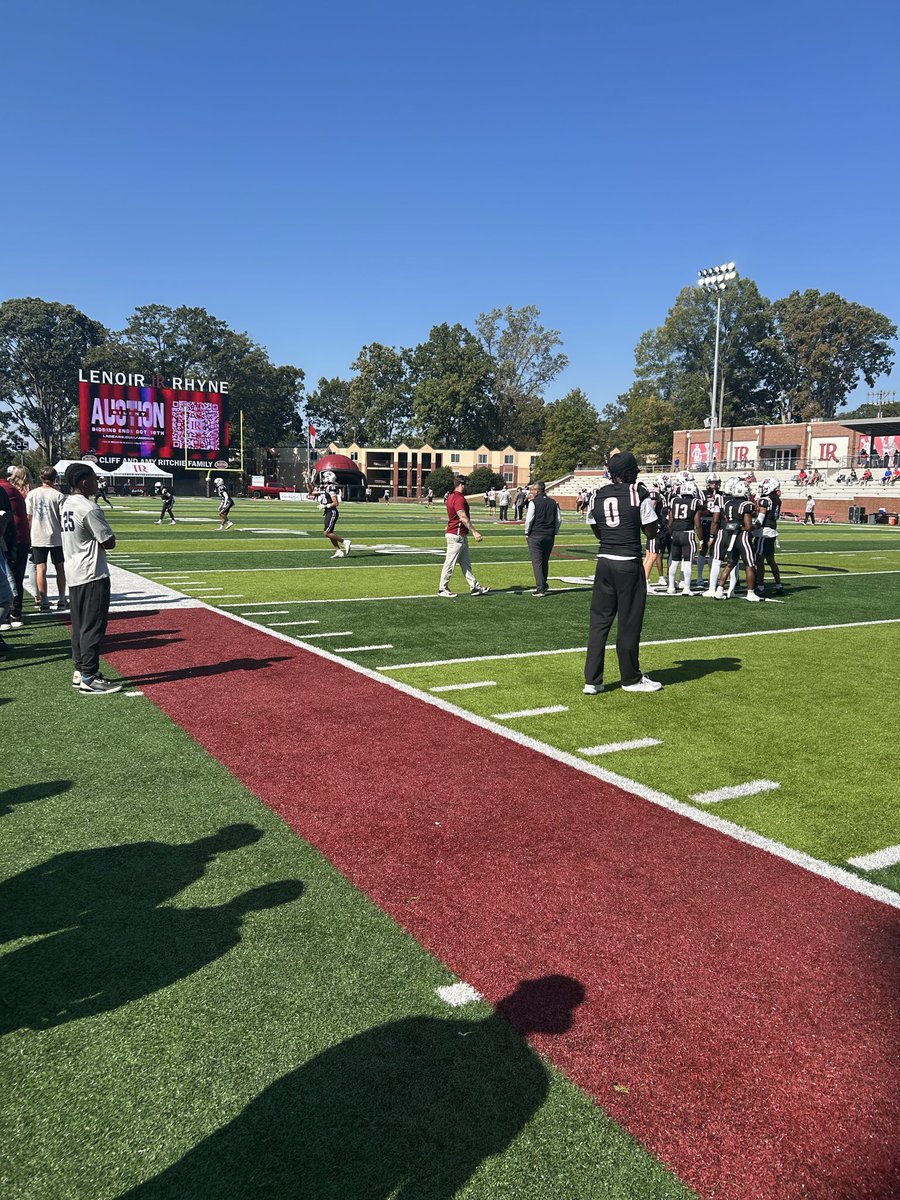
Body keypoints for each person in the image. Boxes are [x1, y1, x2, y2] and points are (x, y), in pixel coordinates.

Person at [583, 451, 662, 695]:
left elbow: (597, 529)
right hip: (628, 562)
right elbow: (651, 532)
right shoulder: (637, 494)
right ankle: (630, 678)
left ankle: (592, 681)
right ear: (628, 474)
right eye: (635, 471)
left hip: (604, 562)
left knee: (599, 622)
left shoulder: (596, 494)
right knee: (629, 622)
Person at [60, 464, 122, 694]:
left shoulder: (66, 503)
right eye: (94, 479)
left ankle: (80, 670)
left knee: (79, 626)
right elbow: (108, 541)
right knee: (93, 626)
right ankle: (89, 675)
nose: (98, 484)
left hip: (74, 570)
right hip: (91, 572)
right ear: (84, 483)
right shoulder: (88, 507)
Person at [438, 476, 490, 598]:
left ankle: (475, 586)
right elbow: (462, 516)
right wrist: (474, 531)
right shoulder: (459, 498)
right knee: (450, 563)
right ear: (462, 485)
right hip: (457, 535)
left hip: (459, 534)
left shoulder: (451, 496)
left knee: (466, 564)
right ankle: (442, 588)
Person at [25, 466, 67, 612]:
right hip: (55, 535)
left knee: (40, 568)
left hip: (37, 534)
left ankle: (44, 600)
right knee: (60, 567)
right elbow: (62, 517)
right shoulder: (58, 495)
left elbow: (28, 517)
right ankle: (62, 598)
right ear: (55, 478)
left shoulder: (32, 494)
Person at [710, 479, 760, 601]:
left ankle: (719, 590)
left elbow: (728, 522)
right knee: (750, 564)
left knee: (730, 564)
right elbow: (748, 527)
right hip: (742, 537)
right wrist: (756, 525)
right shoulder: (746, 505)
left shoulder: (728, 504)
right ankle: (751, 592)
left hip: (730, 535)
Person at [2, 467, 32, 624]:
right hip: (20, 538)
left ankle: (12, 613)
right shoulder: (10, 488)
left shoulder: (5, 489)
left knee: (10, 579)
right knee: (15, 578)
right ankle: (14, 612)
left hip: (13, 540)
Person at [666, 477, 703, 595]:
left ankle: (671, 587)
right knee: (687, 562)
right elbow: (697, 524)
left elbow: (670, 520)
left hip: (676, 533)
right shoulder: (695, 502)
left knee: (675, 561)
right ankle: (686, 588)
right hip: (688, 534)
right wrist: (701, 539)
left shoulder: (674, 501)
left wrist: (671, 533)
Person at [524, 481, 561, 596]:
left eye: (532, 490)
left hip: (536, 534)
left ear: (537, 490)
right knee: (545, 561)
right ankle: (544, 584)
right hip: (549, 535)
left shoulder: (533, 502)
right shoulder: (553, 502)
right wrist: (554, 532)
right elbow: (558, 520)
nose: (531, 492)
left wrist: (527, 532)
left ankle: (540, 588)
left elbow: (529, 519)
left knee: (537, 561)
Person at [754, 478, 784, 597]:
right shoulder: (777, 499)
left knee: (759, 560)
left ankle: (760, 586)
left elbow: (760, 519)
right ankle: (778, 585)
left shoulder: (765, 500)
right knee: (771, 560)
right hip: (771, 531)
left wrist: (750, 528)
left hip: (764, 532)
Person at [321, 483, 351, 558]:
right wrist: (307, 481)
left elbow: (336, 503)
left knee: (327, 533)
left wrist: (325, 505)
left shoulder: (331, 488)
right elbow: (311, 492)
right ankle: (338, 551)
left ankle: (345, 542)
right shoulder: (325, 487)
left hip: (332, 512)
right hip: (328, 512)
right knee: (330, 533)